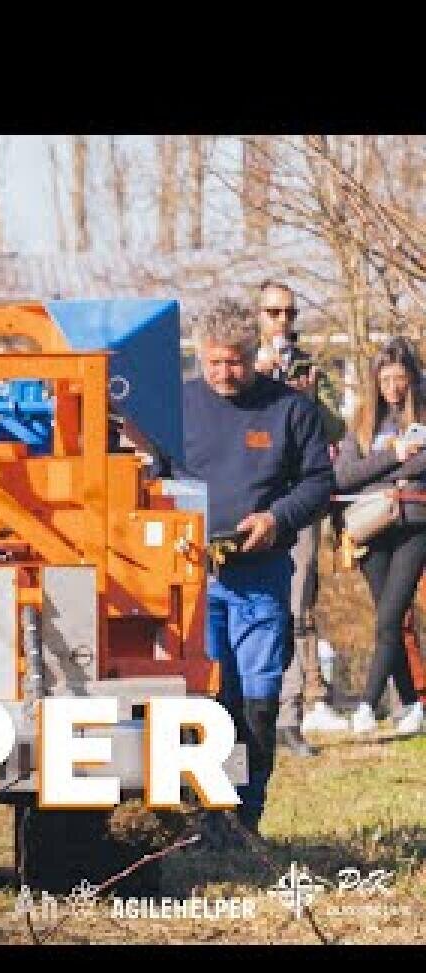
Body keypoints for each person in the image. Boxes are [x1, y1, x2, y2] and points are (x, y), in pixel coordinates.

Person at [168, 297, 334, 836]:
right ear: (199, 356)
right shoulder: (177, 406)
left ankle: (246, 815)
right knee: (208, 699)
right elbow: (151, 476)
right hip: (195, 578)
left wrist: (277, 518)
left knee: (258, 698)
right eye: (214, 362)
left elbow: (318, 483)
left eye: (235, 361)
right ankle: (203, 817)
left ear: (253, 352)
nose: (225, 372)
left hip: (260, 577)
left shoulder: (291, 409)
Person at [251, 281, 347, 755]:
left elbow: (338, 429)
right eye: (274, 313)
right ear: (258, 317)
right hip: (254, 503)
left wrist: (307, 399)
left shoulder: (309, 367)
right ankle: (250, 716)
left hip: (301, 500)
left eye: (290, 312)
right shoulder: (241, 367)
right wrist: (261, 380)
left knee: (298, 602)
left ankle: (293, 714)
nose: (283, 322)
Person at [333, 337, 426, 738]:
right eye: (385, 378)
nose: (392, 386)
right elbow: (342, 476)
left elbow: (422, 466)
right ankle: (411, 704)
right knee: (390, 621)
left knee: (391, 616)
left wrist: (377, 470)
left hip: (414, 525)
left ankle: (367, 705)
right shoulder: (362, 422)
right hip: (369, 526)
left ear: (412, 379)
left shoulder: (422, 417)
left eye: (399, 378)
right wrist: (395, 457)